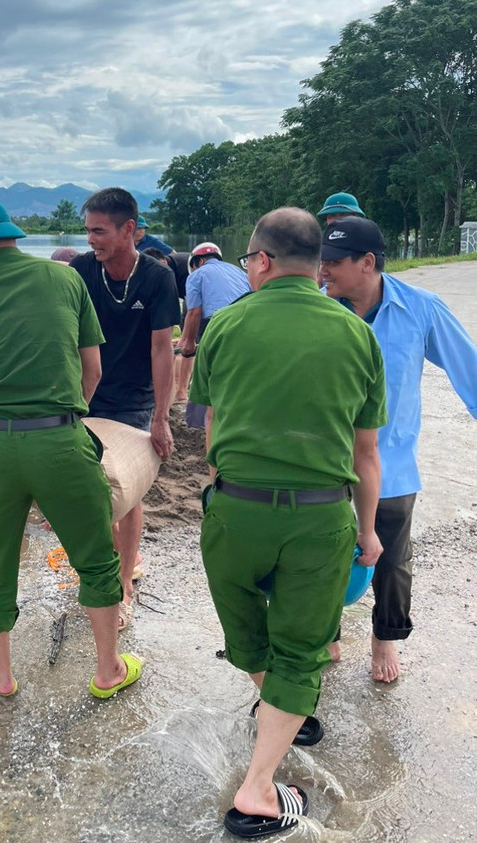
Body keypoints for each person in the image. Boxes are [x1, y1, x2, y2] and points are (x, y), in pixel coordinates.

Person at [192, 208, 387, 837]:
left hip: (235, 511)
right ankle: (260, 785)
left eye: (248, 260)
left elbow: (211, 428)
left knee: (247, 629)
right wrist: (368, 531)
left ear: (263, 260)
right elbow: (366, 452)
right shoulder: (357, 333)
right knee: (302, 652)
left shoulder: (224, 327)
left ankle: (277, 710)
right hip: (319, 516)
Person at [0, 196, 141, 699]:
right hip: (60, 439)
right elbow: (91, 369)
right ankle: (107, 672)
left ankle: (0, 674)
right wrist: (71, 421)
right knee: (95, 557)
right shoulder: (67, 278)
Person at [320, 216, 477, 681]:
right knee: (323, 551)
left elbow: (467, 369)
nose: (322, 271)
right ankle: (326, 631)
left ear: (367, 263)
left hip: (390, 462)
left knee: (392, 559)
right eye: (320, 261)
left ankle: (384, 638)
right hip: (324, 461)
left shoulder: (421, 308)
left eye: (333, 263)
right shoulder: (319, 310)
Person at [71, 188, 180, 630]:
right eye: (88, 231)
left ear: (128, 229)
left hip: (134, 396)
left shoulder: (158, 277)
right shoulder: (80, 270)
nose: (91, 239)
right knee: (85, 483)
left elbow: (162, 349)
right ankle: (105, 563)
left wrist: (161, 417)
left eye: (99, 231)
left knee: (128, 489)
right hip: (84, 392)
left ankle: (124, 581)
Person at [175, 242, 251, 404]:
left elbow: (194, 312)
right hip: (248, 320)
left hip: (218, 320)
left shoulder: (197, 275)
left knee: (198, 356)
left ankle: (182, 393)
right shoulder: (239, 272)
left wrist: (188, 342)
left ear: (199, 262)